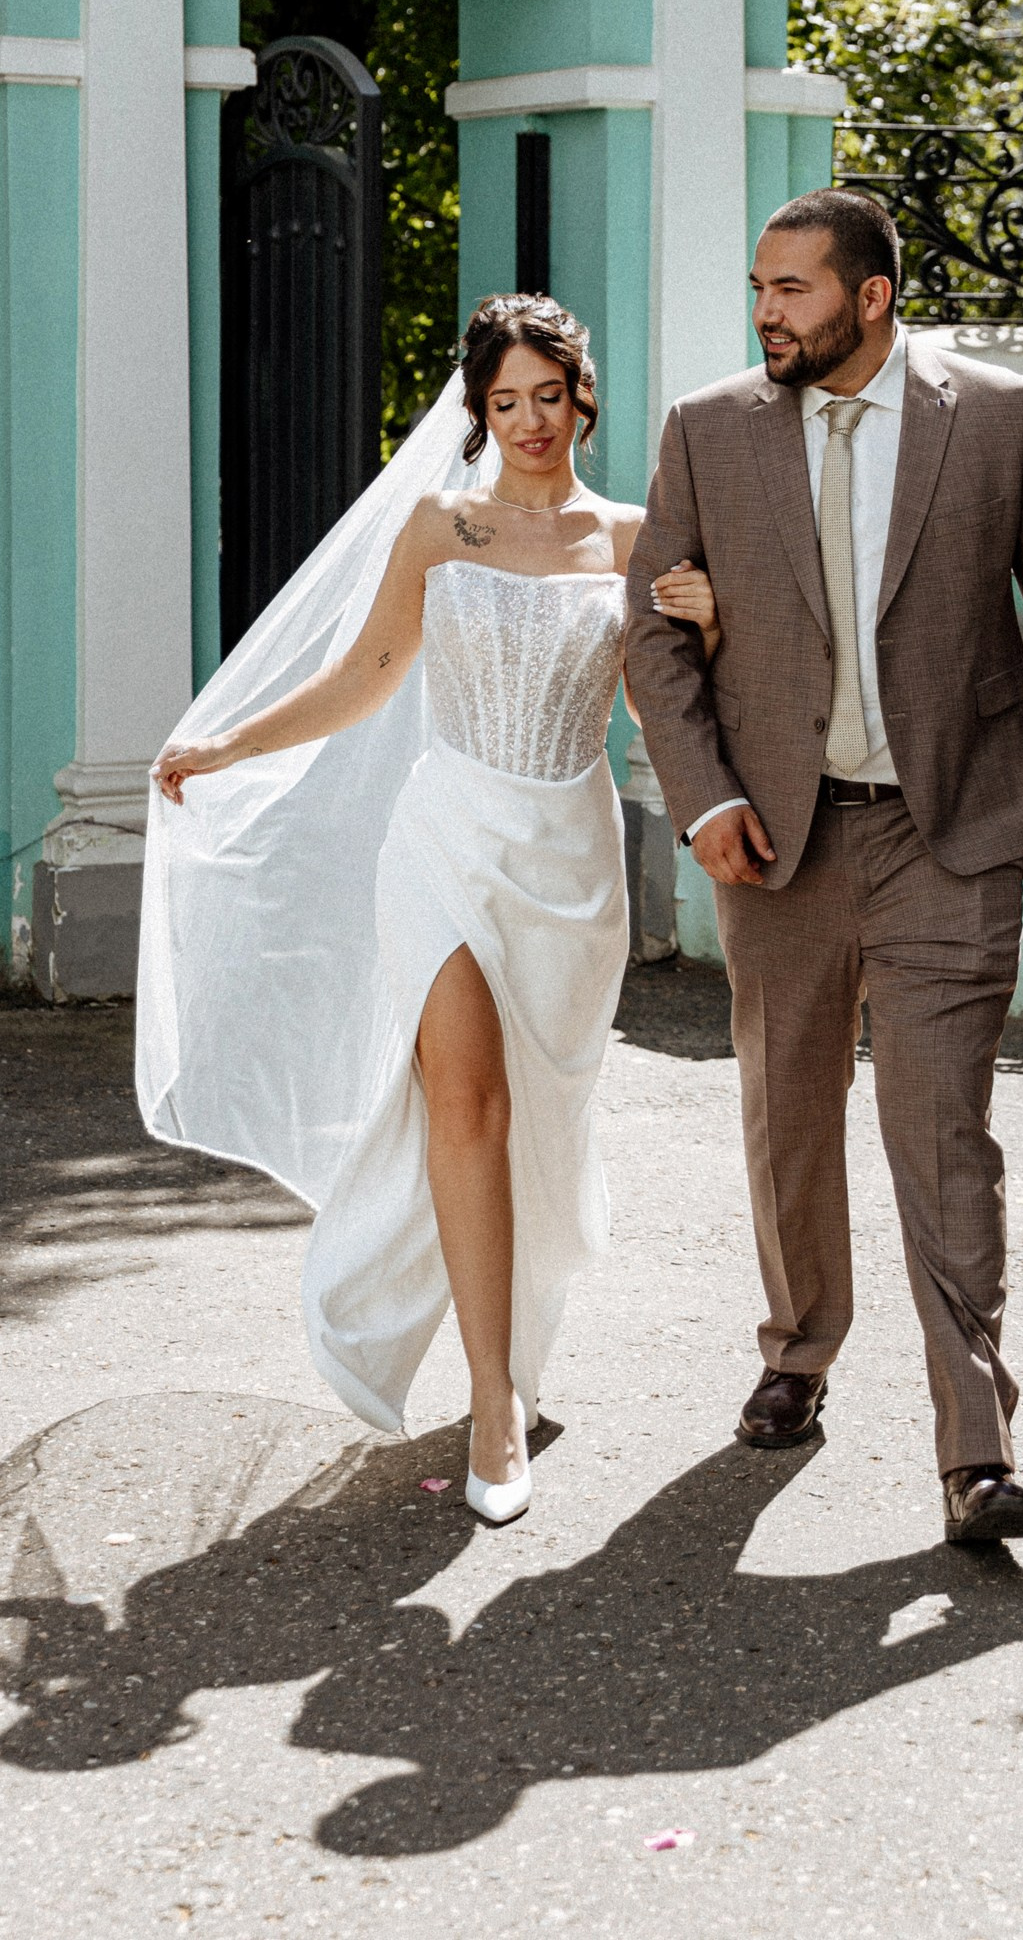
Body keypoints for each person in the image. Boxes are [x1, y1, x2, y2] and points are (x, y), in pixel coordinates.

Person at [624, 189, 1023, 1544]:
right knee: (789, 1114)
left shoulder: (990, 416)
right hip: (779, 842)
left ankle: (973, 1453)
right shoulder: (708, 430)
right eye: (760, 286)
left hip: (952, 830)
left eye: (795, 289)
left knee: (943, 1135)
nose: (767, 311)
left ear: (871, 298)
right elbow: (649, 630)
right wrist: (701, 804)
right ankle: (799, 1350)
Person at [140, 296, 716, 1528]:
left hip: (567, 861)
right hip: (443, 838)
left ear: (582, 401)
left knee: (539, 1127)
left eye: (547, 399)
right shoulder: (433, 526)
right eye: (503, 402)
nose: (527, 423)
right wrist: (226, 744)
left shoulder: (628, 541)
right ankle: (491, 1398)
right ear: (477, 412)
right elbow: (364, 678)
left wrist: (714, 625)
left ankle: (511, 1338)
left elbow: (694, 696)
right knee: (467, 1099)